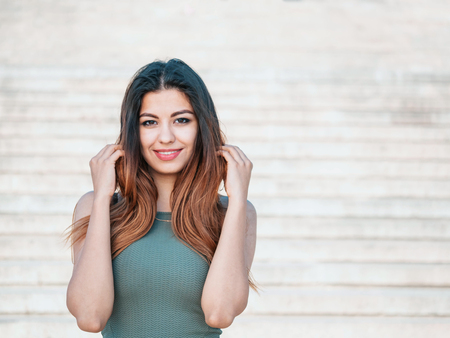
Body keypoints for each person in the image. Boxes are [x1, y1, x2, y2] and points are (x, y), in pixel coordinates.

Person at [63, 58, 258, 337]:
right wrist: (102, 198)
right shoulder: (97, 207)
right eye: (150, 122)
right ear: (133, 131)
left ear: (201, 127)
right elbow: (90, 316)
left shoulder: (235, 213)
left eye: (181, 120)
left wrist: (238, 200)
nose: (166, 137)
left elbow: (220, 312)